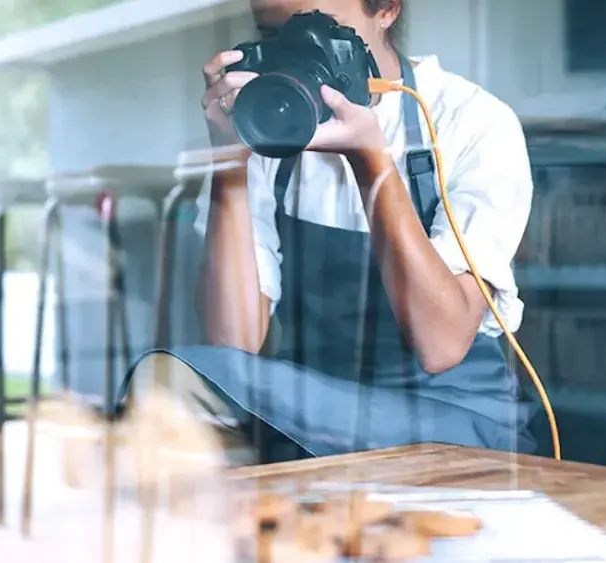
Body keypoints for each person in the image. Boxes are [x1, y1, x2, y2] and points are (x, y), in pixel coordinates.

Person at [121, 0, 538, 463]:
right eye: (275, 33)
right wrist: (230, 161)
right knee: (166, 385)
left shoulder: (473, 123)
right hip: (315, 412)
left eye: (319, 29)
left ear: (387, 10)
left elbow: (441, 345)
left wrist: (371, 161)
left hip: (451, 421)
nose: (298, 51)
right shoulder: (267, 120)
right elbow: (231, 346)